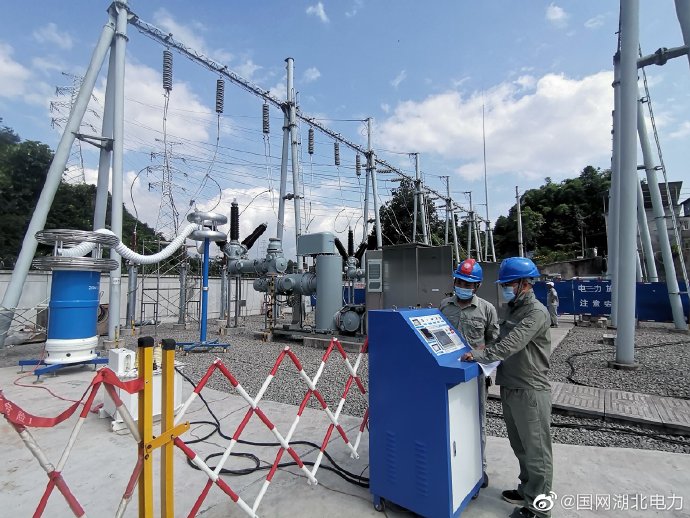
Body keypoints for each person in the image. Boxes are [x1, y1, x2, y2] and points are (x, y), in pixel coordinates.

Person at [461, 257, 553, 518]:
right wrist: (482, 349)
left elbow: (510, 344)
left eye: (509, 284)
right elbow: (499, 339)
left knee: (537, 451)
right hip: (511, 385)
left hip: (530, 389)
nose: (505, 288)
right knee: (521, 446)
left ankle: (538, 509)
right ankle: (527, 490)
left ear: (524, 283)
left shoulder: (536, 312)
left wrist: (479, 355)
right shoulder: (514, 309)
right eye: (504, 284)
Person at [440, 258, 499, 489]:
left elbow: (495, 344)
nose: (462, 287)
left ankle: (478, 468)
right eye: (460, 282)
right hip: (447, 373)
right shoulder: (445, 306)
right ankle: (451, 465)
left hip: (475, 376)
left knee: (476, 421)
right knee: (449, 420)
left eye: (468, 284)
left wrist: (480, 354)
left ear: (477, 286)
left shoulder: (487, 309)